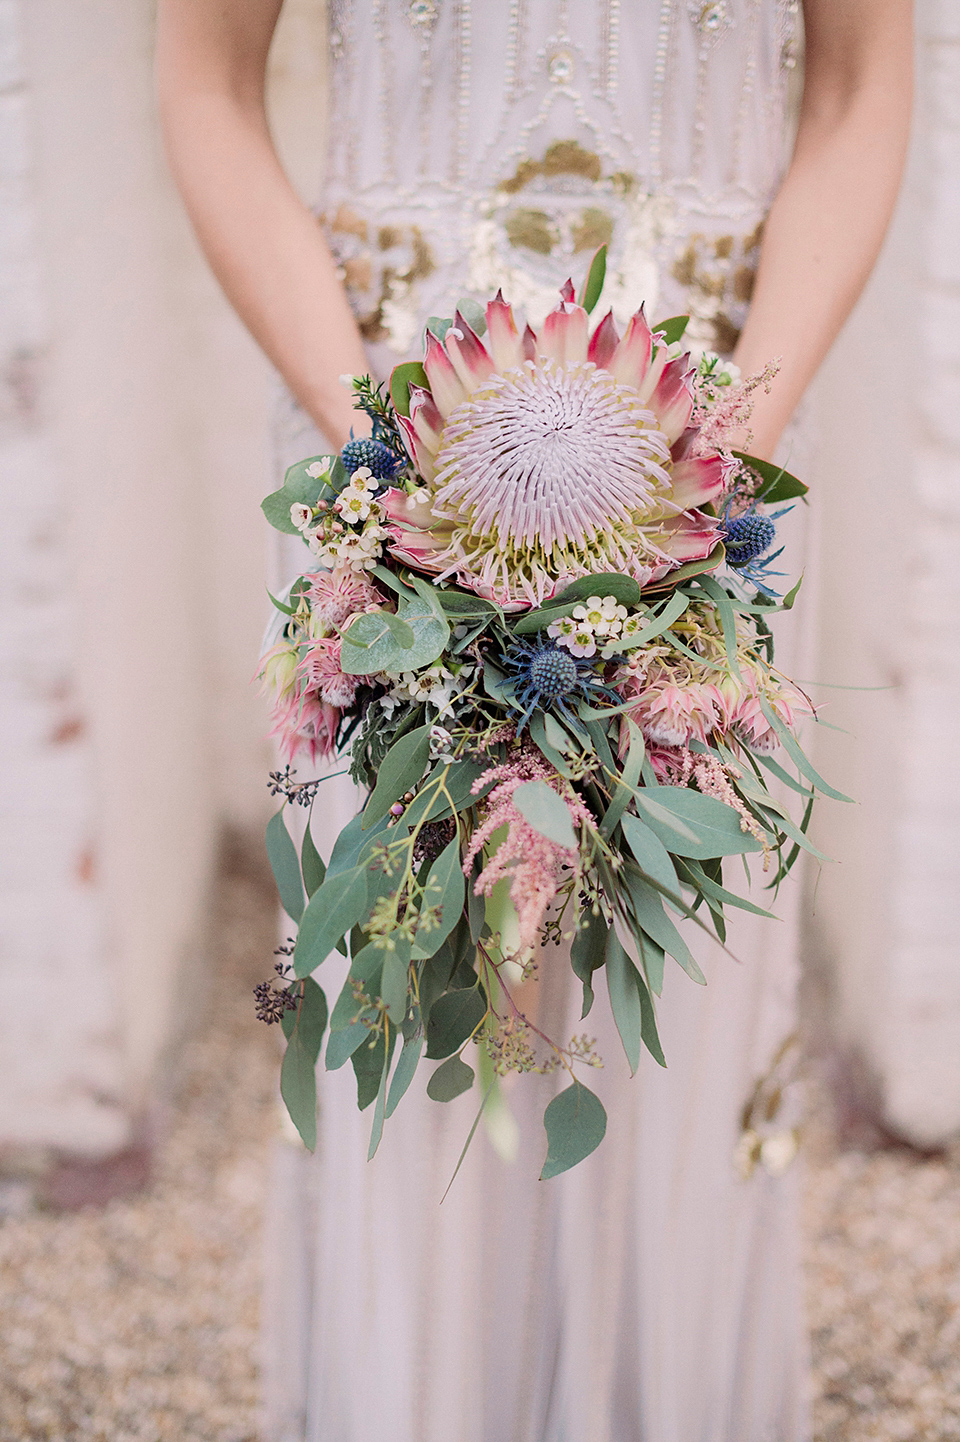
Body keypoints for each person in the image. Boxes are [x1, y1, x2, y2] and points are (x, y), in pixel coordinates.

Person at [157, 4, 912, 1439]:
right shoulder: (376, 480)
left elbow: (862, 86)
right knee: (414, 990)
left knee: (683, 998)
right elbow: (203, 79)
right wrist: (383, 474)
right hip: (375, 462)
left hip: (724, 464)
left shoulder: (727, 476)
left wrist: (726, 467)